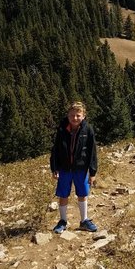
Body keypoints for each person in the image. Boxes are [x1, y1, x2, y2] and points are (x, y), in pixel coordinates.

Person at [50, 100, 98, 233]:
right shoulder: (62, 129)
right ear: (68, 115)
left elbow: (92, 152)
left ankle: (84, 220)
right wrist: (54, 168)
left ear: (84, 115)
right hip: (64, 168)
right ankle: (63, 221)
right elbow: (55, 150)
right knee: (63, 195)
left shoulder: (88, 130)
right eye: (72, 115)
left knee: (82, 193)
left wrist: (92, 172)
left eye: (78, 115)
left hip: (81, 169)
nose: (75, 118)